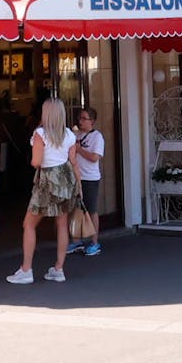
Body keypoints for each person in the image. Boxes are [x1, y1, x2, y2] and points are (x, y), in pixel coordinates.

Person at [7, 98, 80, 285]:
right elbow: (73, 161)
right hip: (65, 180)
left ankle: (26, 270)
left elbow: (36, 162)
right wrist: (78, 185)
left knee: (29, 224)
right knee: (62, 224)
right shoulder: (70, 135)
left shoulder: (40, 133)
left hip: (47, 180)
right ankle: (59, 268)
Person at [68, 107, 107, 257]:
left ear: (92, 121)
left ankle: (94, 242)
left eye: (84, 118)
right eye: (80, 118)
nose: (81, 121)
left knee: (91, 210)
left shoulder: (97, 137)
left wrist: (79, 149)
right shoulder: (75, 134)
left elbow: (94, 157)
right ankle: (76, 240)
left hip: (90, 178)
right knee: (75, 210)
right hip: (76, 176)